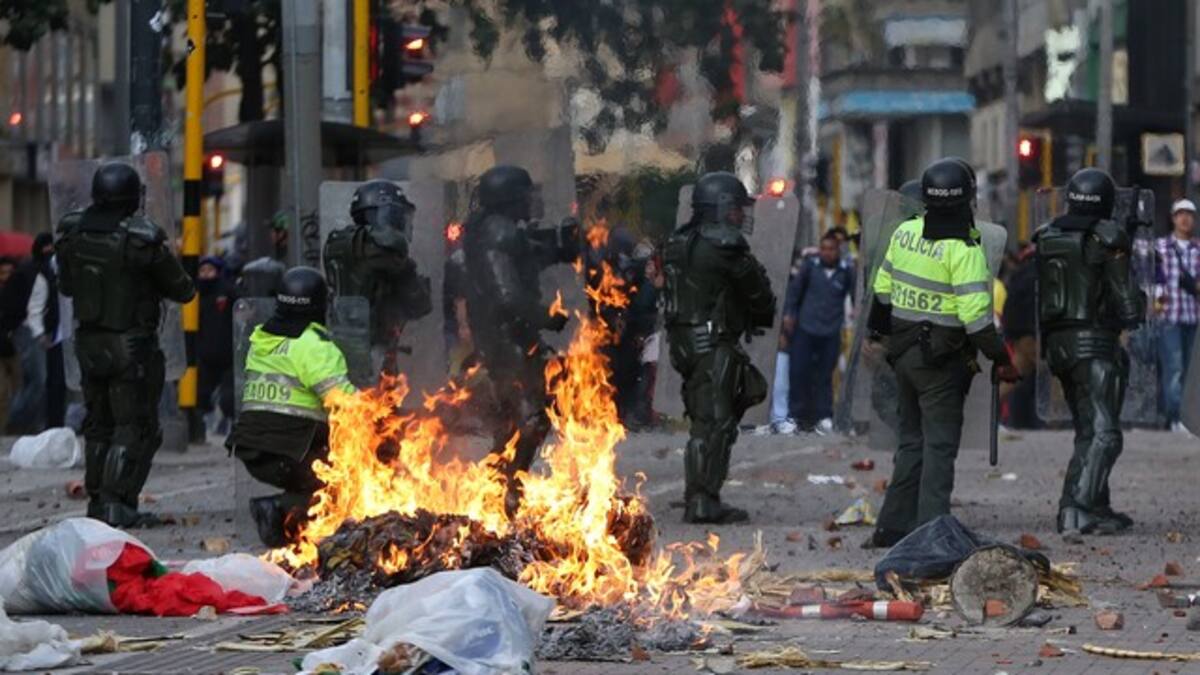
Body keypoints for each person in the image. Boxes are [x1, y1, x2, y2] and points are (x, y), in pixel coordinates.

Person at [863, 158, 1018, 548]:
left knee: (911, 443)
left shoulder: (905, 233)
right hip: (941, 363)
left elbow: (881, 291)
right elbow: (976, 318)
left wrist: (879, 338)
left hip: (903, 357)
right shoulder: (963, 249)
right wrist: (1000, 357)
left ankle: (891, 527)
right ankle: (931, 534)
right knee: (939, 447)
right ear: (967, 199)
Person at [55, 162, 196, 527]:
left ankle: (98, 504)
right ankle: (119, 505)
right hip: (131, 346)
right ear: (133, 196)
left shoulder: (72, 232)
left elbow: (67, 286)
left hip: (87, 343)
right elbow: (183, 289)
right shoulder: (141, 239)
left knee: (98, 424)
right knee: (135, 427)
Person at [1034, 169, 1146, 534]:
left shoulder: (1048, 235)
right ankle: (1079, 508)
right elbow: (1126, 304)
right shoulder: (1107, 237)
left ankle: (1095, 504)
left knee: (1087, 429)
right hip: (1095, 342)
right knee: (1104, 433)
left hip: (1058, 345)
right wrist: (1137, 302)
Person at [663, 171, 776, 524]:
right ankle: (703, 499)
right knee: (716, 423)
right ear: (722, 207)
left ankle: (696, 491)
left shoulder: (679, 241)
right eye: (736, 208)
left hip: (684, 344)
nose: (741, 215)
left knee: (703, 420)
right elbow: (756, 291)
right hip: (713, 342)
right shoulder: (725, 244)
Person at [461, 165, 576, 510]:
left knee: (518, 419)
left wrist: (559, 246)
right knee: (529, 419)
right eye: (525, 195)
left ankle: (499, 486)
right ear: (511, 198)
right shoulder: (497, 231)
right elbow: (506, 295)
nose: (531, 201)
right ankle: (505, 489)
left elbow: (528, 257)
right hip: (505, 339)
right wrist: (547, 317)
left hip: (509, 336)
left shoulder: (497, 229)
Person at [226, 267, 356, 547]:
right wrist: (386, 412)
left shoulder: (262, 338)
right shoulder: (314, 345)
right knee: (349, 473)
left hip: (253, 450)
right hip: (289, 451)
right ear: (321, 304)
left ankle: (291, 524)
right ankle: (280, 510)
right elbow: (346, 403)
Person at [323, 180, 432, 376]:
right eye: (397, 216)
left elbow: (419, 305)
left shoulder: (350, 245)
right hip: (366, 355)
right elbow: (392, 242)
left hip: (358, 351)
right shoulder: (369, 247)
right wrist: (406, 268)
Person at [783, 231, 855, 434]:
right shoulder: (810, 267)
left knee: (825, 376)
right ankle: (795, 416)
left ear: (837, 251)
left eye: (831, 249)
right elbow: (795, 292)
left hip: (830, 330)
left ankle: (824, 416)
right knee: (798, 372)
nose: (827, 253)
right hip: (806, 328)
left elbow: (854, 294)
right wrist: (790, 314)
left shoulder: (846, 271)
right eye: (823, 248)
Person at [2, 234, 58, 434]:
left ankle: (23, 421)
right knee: (37, 380)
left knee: (29, 380)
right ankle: (18, 421)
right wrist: (40, 334)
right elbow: (35, 308)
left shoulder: (28, 270)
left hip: (21, 331)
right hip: (30, 332)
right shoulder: (39, 274)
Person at [1154, 199, 1200, 433]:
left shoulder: (1198, 249)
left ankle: (1188, 417)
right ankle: (1175, 418)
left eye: (1189, 215)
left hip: (1193, 316)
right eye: (1180, 214)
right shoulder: (1160, 248)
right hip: (1169, 317)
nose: (1185, 219)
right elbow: (1152, 277)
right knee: (1174, 369)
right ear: (1173, 218)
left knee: (1192, 372)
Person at [196, 256, 237, 433]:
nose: (206, 275)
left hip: (228, 353)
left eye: (210, 270)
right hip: (204, 354)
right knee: (202, 394)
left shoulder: (228, 291)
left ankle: (228, 424)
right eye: (202, 271)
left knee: (229, 397)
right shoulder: (195, 294)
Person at [0, 257, 20, 427]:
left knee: (16, 390)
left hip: (14, 347)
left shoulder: (18, 292)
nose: (6, 276)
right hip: (4, 347)